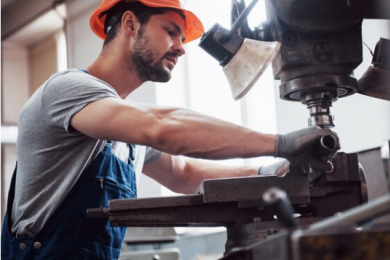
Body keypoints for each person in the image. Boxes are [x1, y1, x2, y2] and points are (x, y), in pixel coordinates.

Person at [1, 0, 340, 259]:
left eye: (181, 36)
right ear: (131, 23)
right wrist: (280, 143)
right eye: (170, 31)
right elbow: (162, 126)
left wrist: (269, 170)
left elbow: (183, 172)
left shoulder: (123, 124)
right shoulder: (69, 89)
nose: (181, 46)